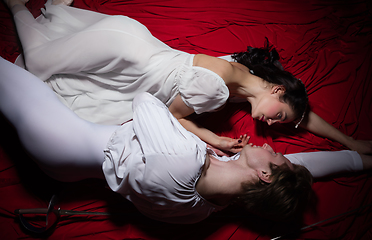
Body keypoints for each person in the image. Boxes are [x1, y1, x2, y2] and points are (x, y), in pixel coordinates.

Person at [1, 57, 371, 224]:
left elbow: (145, 101)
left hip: (60, 137)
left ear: (264, 176)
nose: (276, 148)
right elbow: (305, 168)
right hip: (69, 174)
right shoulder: (215, 204)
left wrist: (204, 138)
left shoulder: (184, 158)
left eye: (277, 158)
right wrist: (359, 157)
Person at [4, 0, 372, 155]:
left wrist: (349, 141)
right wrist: (212, 137)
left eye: (278, 122)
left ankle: (53, 13)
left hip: (133, 46)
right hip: (125, 52)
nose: (272, 123)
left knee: (58, 55)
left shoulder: (247, 76)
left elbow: (302, 112)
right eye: (279, 115)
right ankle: (16, 5)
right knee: (37, 66)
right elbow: (172, 116)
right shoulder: (217, 87)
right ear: (277, 90)